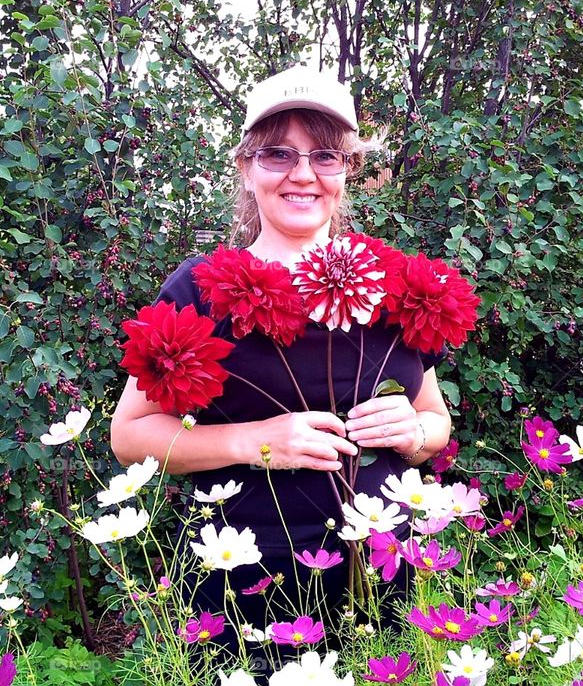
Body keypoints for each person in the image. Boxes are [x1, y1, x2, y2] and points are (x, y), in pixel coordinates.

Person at [110, 65, 452, 671]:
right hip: (246, 584)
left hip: (385, 576)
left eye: (325, 156)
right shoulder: (199, 289)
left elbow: (434, 420)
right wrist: (255, 440)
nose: (302, 174)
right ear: (246, 167)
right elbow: (130, 437)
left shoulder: (398, 285)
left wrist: (416, 434)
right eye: (278, 154)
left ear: (347, 172)